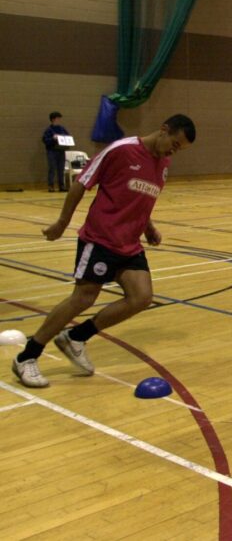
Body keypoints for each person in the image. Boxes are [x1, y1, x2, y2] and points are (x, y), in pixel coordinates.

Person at [11, 115, 196, 388]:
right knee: (83, 298)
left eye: (179, 149)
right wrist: (62, 222)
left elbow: (140, 199)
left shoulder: (163, 164)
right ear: (164, 130)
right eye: (174, 144)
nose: (173, 151)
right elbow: (80, 183)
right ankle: (27, 356)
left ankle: (76, 337)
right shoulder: (121, 150)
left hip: (129, 244)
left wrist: (148, 227)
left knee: (141, 297)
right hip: (100, 239)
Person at [42, 111, 70, 192]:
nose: (59, 120)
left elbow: (68, 136)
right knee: (52, 168)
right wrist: (52, 139)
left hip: (61, 151)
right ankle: (51, 186)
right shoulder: (49, 130)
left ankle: (61, 186)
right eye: (58, 118)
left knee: (61, 169)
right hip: (52, 151)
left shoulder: (62, 129)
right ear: (53, 119)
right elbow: (45, 140)